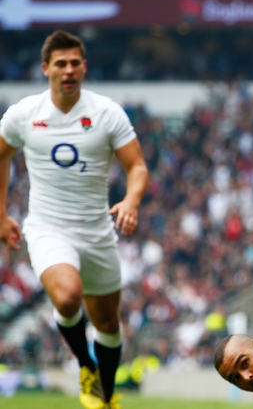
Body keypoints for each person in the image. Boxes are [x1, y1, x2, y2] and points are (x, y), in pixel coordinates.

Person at [0, 30, 148, 409]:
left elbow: (137, 167)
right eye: (60, 64)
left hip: (98, 231)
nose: (68, 70)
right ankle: (85, 367)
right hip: (48, 228)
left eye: (75, 63)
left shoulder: (106, 112)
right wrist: (1, 214)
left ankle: (108, 393)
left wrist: (131, 201)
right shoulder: (23, 114)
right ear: (46, 68)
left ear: (84, 67)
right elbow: (1, 156)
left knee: (108, 325)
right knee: (67, 297)